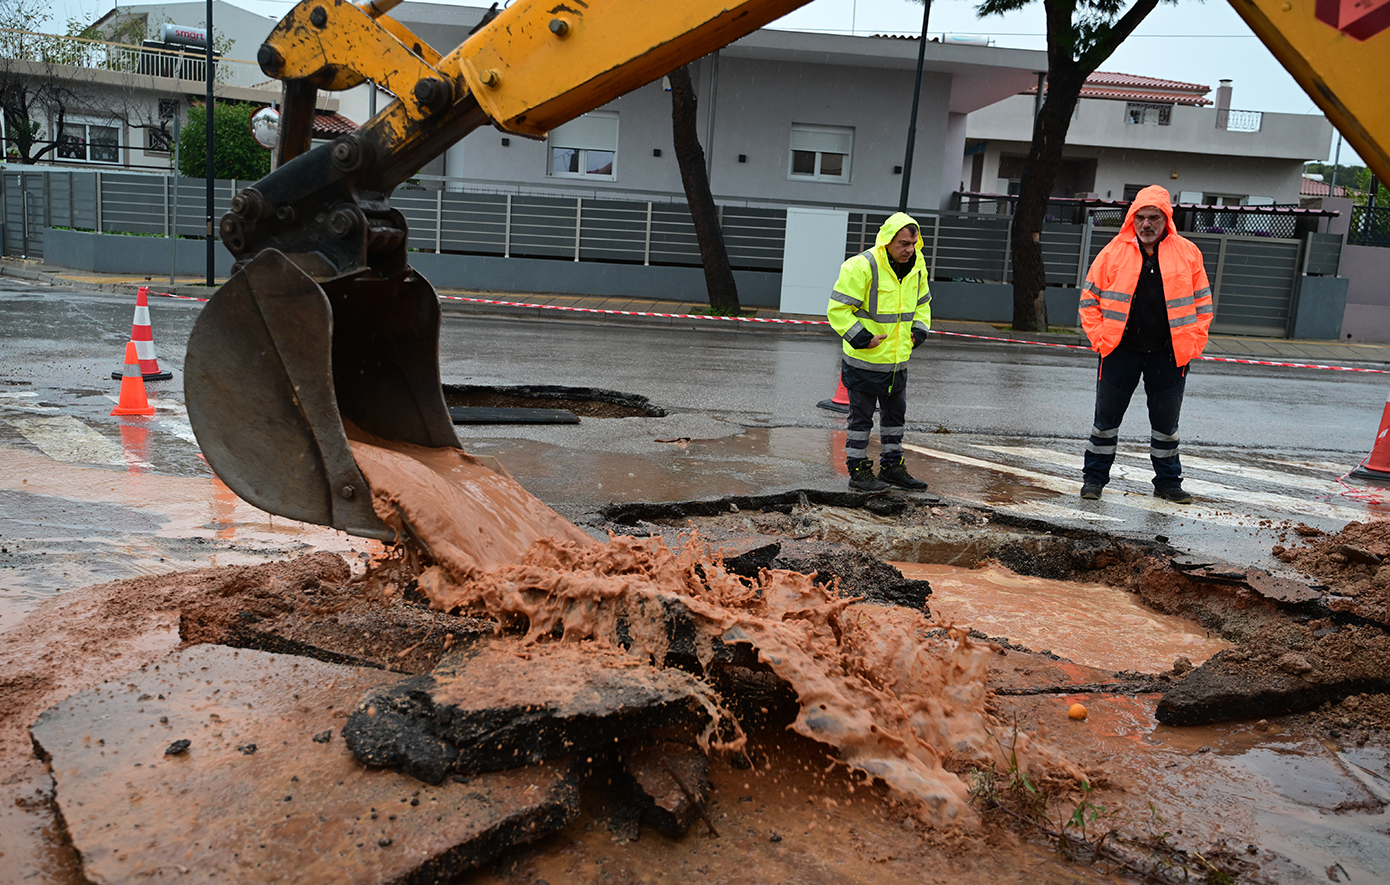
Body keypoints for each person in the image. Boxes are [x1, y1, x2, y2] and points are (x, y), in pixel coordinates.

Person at [1078, 185, 1213, 504]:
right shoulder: (1113, 251)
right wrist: (1101, 340)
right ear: (1132, 219)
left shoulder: (1188, 253)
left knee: (1166, 426)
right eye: (1141, 217)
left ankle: (1167, 483)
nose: (1147, 224)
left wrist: (1192, 344)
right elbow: (1088, 300)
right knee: (1105, 422)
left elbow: (1203, 306)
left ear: (1167, 219)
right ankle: (1094, 480)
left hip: (1168, 355)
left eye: (1154, 217)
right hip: (1119, 352)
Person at [826, 212, 932, 492]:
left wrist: (918, 332)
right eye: (903, 243)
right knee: (861, 420)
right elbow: (837, 310)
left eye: (913, 243)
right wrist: (862, 338)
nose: (909, 249)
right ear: (887, 241)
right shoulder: (861, 266)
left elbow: (922, 305)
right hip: (864, 361)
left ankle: (892, 467)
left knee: (895, 419)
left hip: (897, 363)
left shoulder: (917, 267)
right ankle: (858, 470)